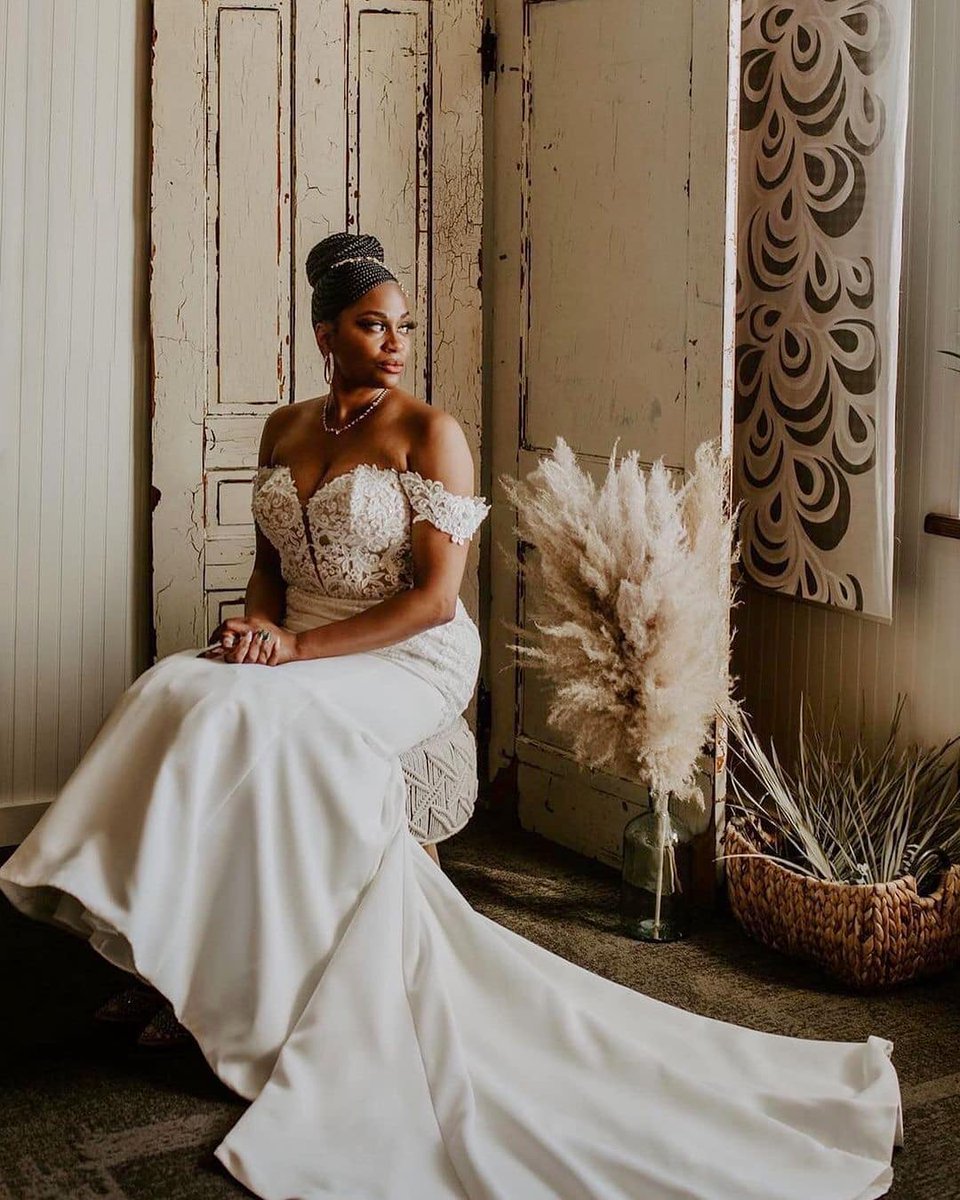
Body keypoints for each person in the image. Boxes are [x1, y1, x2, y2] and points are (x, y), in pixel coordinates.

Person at [0, 234, 902, 1200]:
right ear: (325, 333)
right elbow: (267, 573)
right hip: (300, 641)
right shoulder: (285, 429)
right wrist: (254, 632)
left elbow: (435, 600)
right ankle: (170, 955)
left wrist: (297, 654)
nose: (393, 344)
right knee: (173, 690)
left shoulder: (432, 434)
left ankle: (245, 991)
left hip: (406, 653)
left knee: (264, 730)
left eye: (401, 327)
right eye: (370, 325)